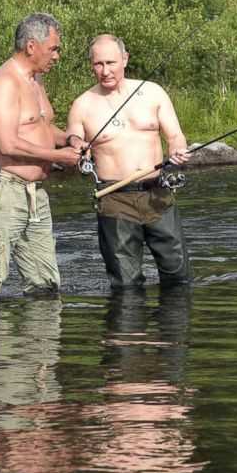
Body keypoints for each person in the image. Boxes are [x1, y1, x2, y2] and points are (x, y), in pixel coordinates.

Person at [0, 12, 82, 300]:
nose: (57, 56)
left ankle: (40, 344)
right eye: (53, 49)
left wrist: (70, 140)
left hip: (33, 195)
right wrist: (59, 157)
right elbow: (8, 144)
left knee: (45, 284)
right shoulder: (4, 82)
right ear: (32, 46)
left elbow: (40, 126)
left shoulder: (36, 80)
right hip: (1, 191)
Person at [65, 34, 192, 289]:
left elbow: (176, 135)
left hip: (158, 194)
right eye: (98, 64)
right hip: (114, 198)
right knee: (126, 286)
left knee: (179, 278)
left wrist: (177, 148)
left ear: (125, 59)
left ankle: (175, 329)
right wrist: (79, 148)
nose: (105, 71)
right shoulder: (82, 105)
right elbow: (74, 140)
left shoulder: (153, 92)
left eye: (111, 62)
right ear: (91, 65)